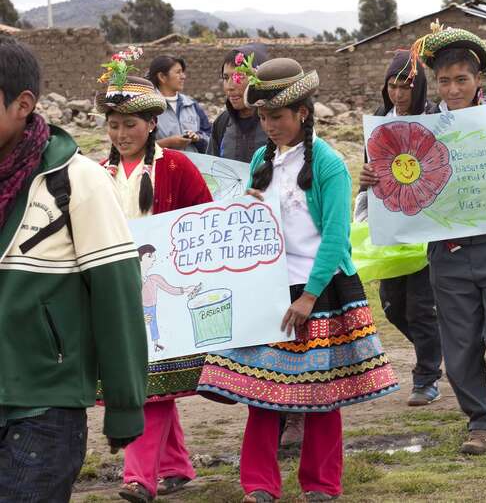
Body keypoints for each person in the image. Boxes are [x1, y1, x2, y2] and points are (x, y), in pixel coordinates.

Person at [197, 58, 399, 501]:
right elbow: (251, 221)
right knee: (260, 389)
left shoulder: (327, 164)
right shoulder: (260, 160)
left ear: (302, 114)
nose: (268, 125)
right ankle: (259, 484)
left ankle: (321, 484)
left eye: (277, 116)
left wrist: (308, 296)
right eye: (264, 116)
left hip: (320, 288)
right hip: (268, 287)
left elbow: (334, 237)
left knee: (322, 394)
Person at [361, 23, 486, 455]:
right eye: (444, 80)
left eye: (462, 79)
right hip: (446, 254)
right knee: (460, 343)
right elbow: (393, 179)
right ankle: (480, 421)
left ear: (479, 80)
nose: (453, 88)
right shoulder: (421, 127)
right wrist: (371, 177)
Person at [0, 36, 147, 502]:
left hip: (44, 410)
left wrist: (125, 405)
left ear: (23, 103)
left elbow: (116, 293)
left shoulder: (76, 180)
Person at [94, 57, 214, 503]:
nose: (121, 134)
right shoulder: (98, 173)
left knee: (150, 387)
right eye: (113, 126)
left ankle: (138, 478)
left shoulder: (178, 167)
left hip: (160, 293)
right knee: (144, 382)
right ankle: (177, 464)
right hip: (114, 293)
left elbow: (201, 221)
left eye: (130, 124)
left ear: (150, 123)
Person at [355, 50, 442, 407]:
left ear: (418, 86)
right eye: (392, 86)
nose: (398, 94)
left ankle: (426, 377)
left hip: (425, 224)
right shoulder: (379, 119)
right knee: (392, 306)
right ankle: (439, 346)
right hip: (391, 221)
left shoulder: (435, 118)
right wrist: (364, 183)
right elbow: (369, 165)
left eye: (405, 86)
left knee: (421, 306)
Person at [210, 44, 271, 162]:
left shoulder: (275, 123)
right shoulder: (222, 123)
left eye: (238, 77)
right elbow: (212, 169)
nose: (229, 87)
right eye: (225, 78)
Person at [147, 55, 211, 153]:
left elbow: (210, 137)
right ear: (162, 77)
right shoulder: (148, 106)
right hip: (162, 166)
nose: (183, 76)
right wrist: (167, 143)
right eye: (178, 72)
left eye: (183, 72)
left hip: (192, 166)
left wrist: (198, 137)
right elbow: (138, 147)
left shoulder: (191, 105)